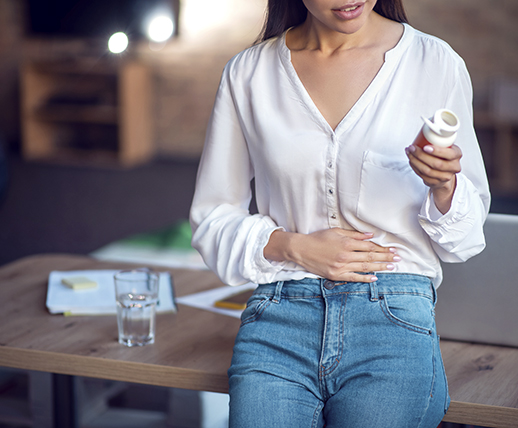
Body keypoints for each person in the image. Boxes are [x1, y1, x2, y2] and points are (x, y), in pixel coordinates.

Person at [190, 0, 490, 426]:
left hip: (392, 317)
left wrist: (445, 185)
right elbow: (211, 217)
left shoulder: (435, 62)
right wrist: (292, 246)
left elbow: (467, 237)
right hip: (279, 315)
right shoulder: (249, 73)